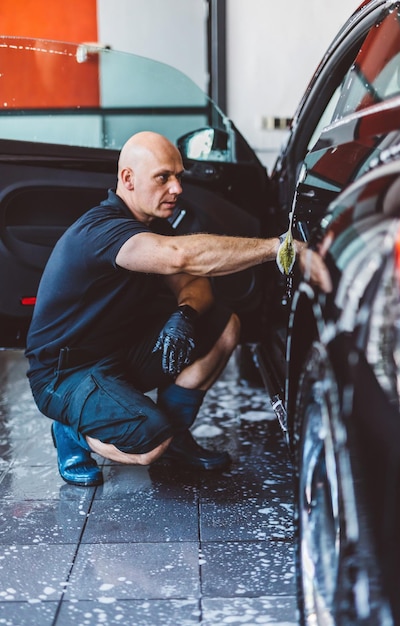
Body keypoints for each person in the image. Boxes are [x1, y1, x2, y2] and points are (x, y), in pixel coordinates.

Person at [25, 130, 324, 487]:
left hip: (117, 354)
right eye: (163, 178)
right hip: (66, 373)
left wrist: (185, 313)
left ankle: (175, 436)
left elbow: (192, 280)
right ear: (128, 179)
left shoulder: (154, 224)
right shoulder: (103, 231)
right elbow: (180, 256)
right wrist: (278, 247)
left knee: (224, 324)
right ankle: (73, 429)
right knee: (150, 443)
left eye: (179, 177)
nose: (177, 188)